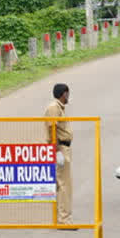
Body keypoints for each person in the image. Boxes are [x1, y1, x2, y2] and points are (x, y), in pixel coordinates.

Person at [44, 83, 76, 229]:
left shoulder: (59, 108)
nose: (69, 97)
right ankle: (63, 220)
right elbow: (52, 129)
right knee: (63, 186)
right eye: (68, 94)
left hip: (64, 147)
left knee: (64, 185)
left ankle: (63, 218)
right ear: (64, 93)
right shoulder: (54, 107)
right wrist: (56, 151)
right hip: (60, 148)